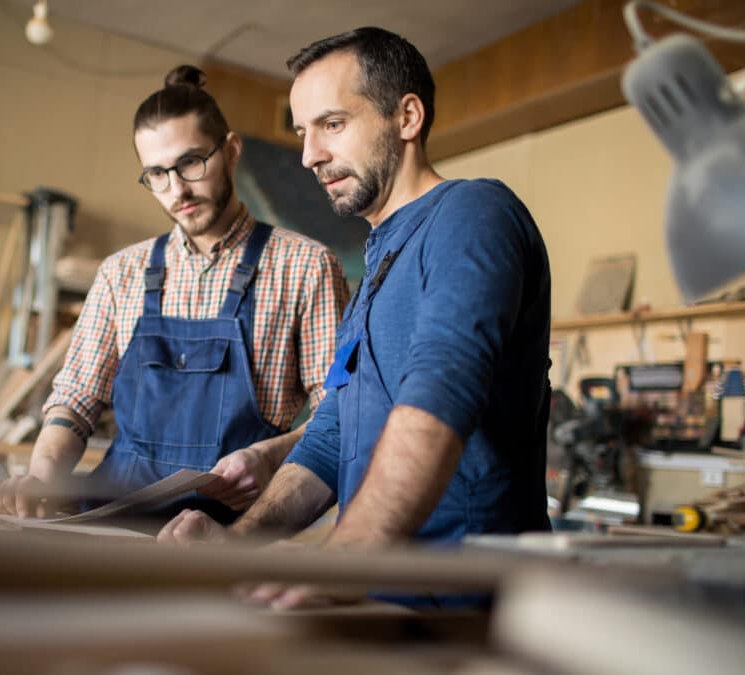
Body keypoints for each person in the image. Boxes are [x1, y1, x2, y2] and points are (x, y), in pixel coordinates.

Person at [158, 27, 553, 608]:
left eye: (332, 125)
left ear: (408, 117)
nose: (309, 155)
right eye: (302, 132)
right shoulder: (378, 265)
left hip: (460, 607)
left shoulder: (472, 213)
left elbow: (441, 395)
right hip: (374, 597)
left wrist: (338, 560)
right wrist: (233, 548)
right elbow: (331, 437)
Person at [0, 65, 349, 525]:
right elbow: (77, 400)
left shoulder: (305, 266)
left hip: (233, 531)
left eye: (191, 163)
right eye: (157, 174)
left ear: (232, 151)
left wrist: (269, 456)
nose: (177, 189)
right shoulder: (122, 272)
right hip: (113, 518)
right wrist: (40, 477)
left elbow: (339, 413)